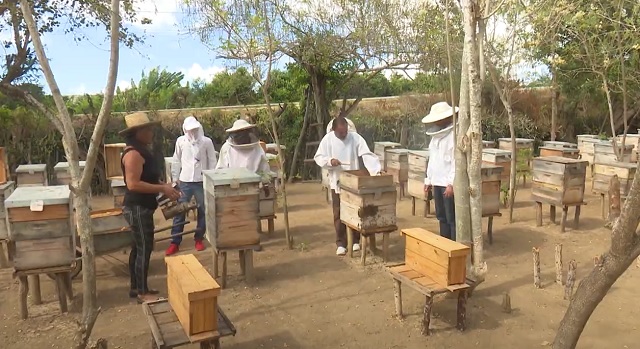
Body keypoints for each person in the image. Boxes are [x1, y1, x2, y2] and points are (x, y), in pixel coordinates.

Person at [120, 112, 181, 303]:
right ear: (137, 133)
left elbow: (147, 178)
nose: (151, 132)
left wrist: (163, 184)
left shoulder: (142, 151)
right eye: (147, 129)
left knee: (138, 249)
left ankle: (136, 288)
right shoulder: (133, 154)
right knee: (144, 249)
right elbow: (133, 184)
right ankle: (142, 292)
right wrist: (162, 187)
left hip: (142, 206)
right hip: (137, 207)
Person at [314, 116, 382, 256]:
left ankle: (356, 240)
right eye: (340, 133)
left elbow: (367, 154)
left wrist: (376, 171)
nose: (344, 135)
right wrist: (330, 161)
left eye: (345, 132)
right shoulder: (327, 140)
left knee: (355, 211)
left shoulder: (355, 138)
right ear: (333, 130)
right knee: (338, 213)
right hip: (337, 181)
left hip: (353, 181)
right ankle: (340, 243)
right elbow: (319, 157)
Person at [165, 116, 217, 256]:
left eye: (194, 129)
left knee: (203, 210)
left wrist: (211, 179)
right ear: (185, 130)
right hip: (185, 181)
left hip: (201, 181)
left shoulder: (207, 142)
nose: (192, 133)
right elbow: (176, 161)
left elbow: (212, 161)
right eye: (190, 130)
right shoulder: (180, 141)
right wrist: (175, 180)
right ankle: (175, 242)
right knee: (180, 211)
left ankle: (199, 238)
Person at [422, 101, 457, 241]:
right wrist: (428, 180)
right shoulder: (435, 138)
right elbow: (433, 160)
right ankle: (445, 244)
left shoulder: (453, 137)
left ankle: (454, 247)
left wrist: (451, 184)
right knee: (441, 216)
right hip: (437, 182)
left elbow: (456, 162)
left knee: (451, 218)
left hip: (447, 185)